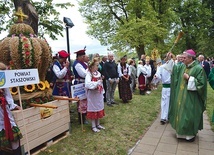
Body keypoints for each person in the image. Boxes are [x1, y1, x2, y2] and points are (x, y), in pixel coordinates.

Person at [169, 49, 207, 142]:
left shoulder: (198, 69)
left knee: (189, 115)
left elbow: (201, 84)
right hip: (181, 96)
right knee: (181, 113)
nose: (183, 59)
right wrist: (171, 59)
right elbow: (174, 70)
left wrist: (189, 78)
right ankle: (180, 133)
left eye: (184, 58)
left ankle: (190, 135)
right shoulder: (183, 67)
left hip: (191, 98)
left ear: (190, 58)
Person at [0, 62, 22, 155]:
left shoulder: (3, 81)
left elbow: (8, 96)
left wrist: (13, 105)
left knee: (13, 135)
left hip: (4, 110)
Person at [85, 59, 105, 132]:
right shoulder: (89, 74)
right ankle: (93, 126)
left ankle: (98, 124)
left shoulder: (98, 73)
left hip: (98, 94)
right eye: (96, 65)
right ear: (92, 66)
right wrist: (97, 83)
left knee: (98, 107)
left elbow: (100, 83)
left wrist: (101, 89)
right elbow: (88, 84)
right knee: (93, 108)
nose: (98, 66)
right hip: (92, 95)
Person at [153, 52, 174, 124]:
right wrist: (156, 76)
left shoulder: (174, 66)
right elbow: (158, 76)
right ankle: (164, 117)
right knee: (165, 102)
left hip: (173, 87)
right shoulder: (162, 67)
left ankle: (170, 116)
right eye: (167, 58)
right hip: (166, 87)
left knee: (171, 102)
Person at [73, 49, 88, 124]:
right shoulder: (77, 64)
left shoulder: (83, 63)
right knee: (81, 101)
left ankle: (85, 115)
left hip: (83, 84)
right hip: (79, 84)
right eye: (83, 56)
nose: (84, 58)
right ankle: (81, 119)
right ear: (79, 57)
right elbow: (84, 74)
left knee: (85, 101)